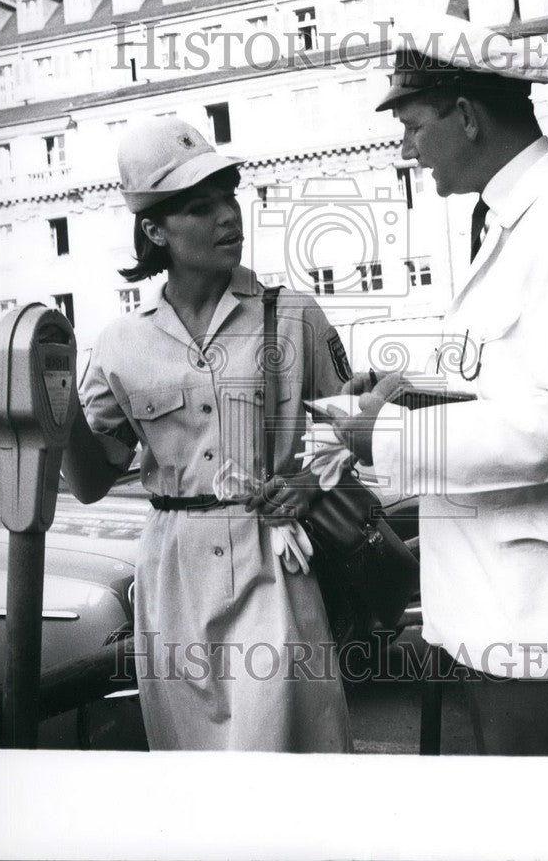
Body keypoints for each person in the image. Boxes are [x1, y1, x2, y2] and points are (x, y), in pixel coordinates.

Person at [331, 14, 548, 756]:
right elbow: (516, 377)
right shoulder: (521, 219)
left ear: (464, 116)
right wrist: (406, 385)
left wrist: (387, 435)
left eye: (411, 123)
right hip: (523, 613)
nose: (405, 148)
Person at [61, 116, 352, 752]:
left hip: (270, 560)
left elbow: (353, 426)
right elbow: (87, 482)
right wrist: (50, 403)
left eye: (229, 197)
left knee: (284, 756)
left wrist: (309, 477)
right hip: (173, 574)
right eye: (201, 207)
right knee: (191, 767)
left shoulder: (293, 313)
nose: (228, 217)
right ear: (154, 230)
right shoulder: (119, 343)